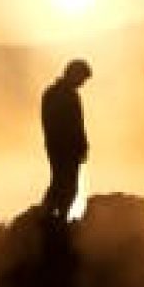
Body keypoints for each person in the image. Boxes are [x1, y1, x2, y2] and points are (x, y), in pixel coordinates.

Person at [41, 59, 91, 220]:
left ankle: (50, 216)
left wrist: (82, 145)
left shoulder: (53, 93)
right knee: (65, 185)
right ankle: (52, 218)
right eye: (82, 79)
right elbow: (73, 125)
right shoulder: (65, 95)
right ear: (73, 74)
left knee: (60, 183)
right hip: (65, 148)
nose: (82, 83)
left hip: (59, 147)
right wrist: (80, 145)